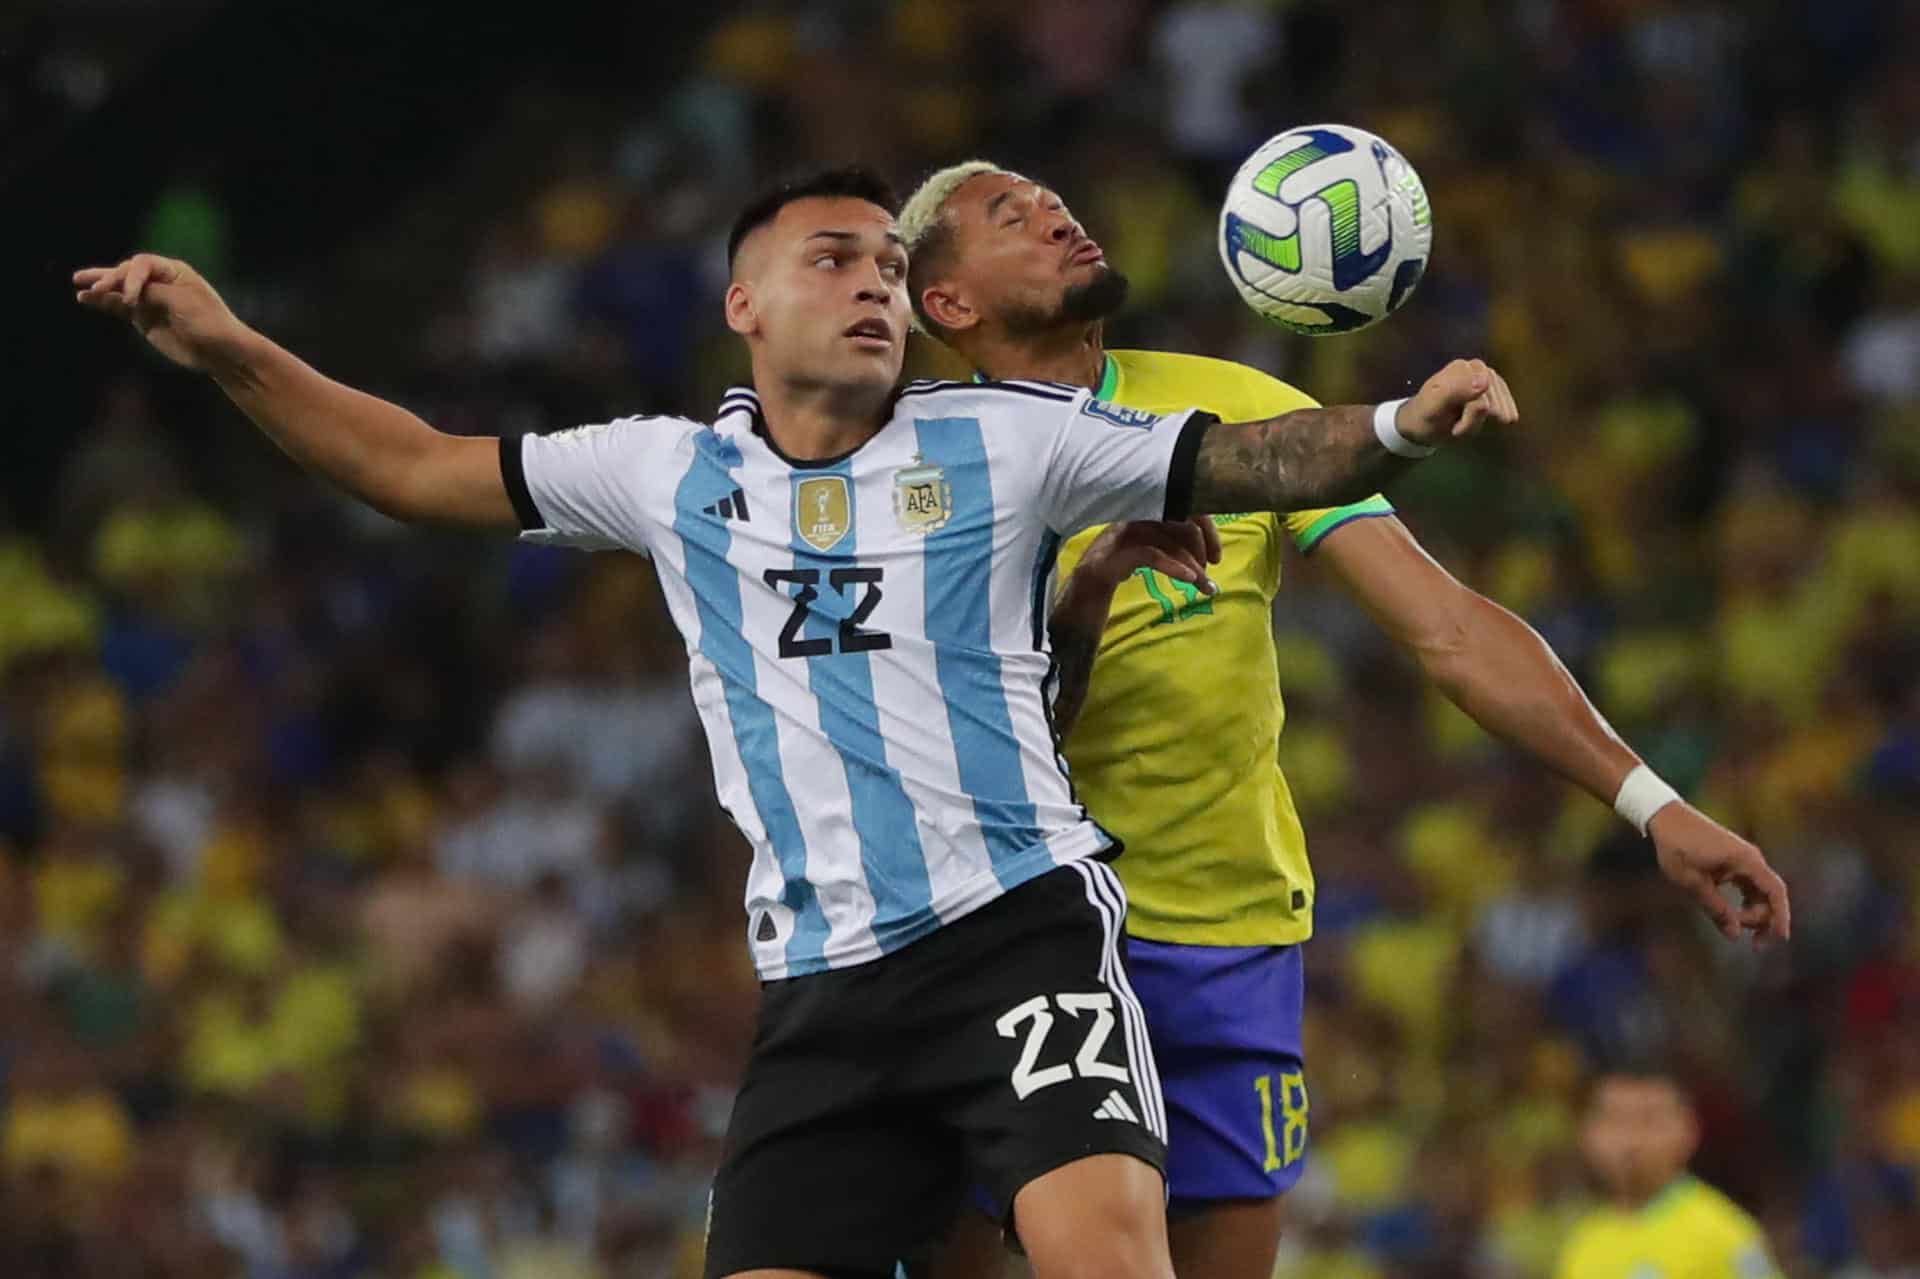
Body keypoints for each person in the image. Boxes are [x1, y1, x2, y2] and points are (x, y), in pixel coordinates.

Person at [75, 165, 1513, 1279]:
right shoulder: (662, 473)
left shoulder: (1004, 438)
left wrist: (1395, 424)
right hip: (825, 984)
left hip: (1018, 931)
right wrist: (225, 346)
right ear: (744, 305)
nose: (875, 284)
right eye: (835, 258)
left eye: (893, 263)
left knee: (1110, 1252)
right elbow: (408, 465)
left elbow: (1248, 454)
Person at [895, 161, 1792, 1279]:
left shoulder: (1233, 411)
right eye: (1007, 217)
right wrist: (1082, 600)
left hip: (1220, 937)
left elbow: (1450, 629)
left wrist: (1651, 805)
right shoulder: (913, 470)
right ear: (949, 304)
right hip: (1013, 933)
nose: (1056, 212)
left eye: (1052, 199)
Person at [1555, 1066, 1783, 1278]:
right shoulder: (1582, 1241)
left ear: (1689, 1130)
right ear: (1587, 1133)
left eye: (1649, 1121)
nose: (1630, 1140)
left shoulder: (1724, 1235)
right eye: (1615, 1119)